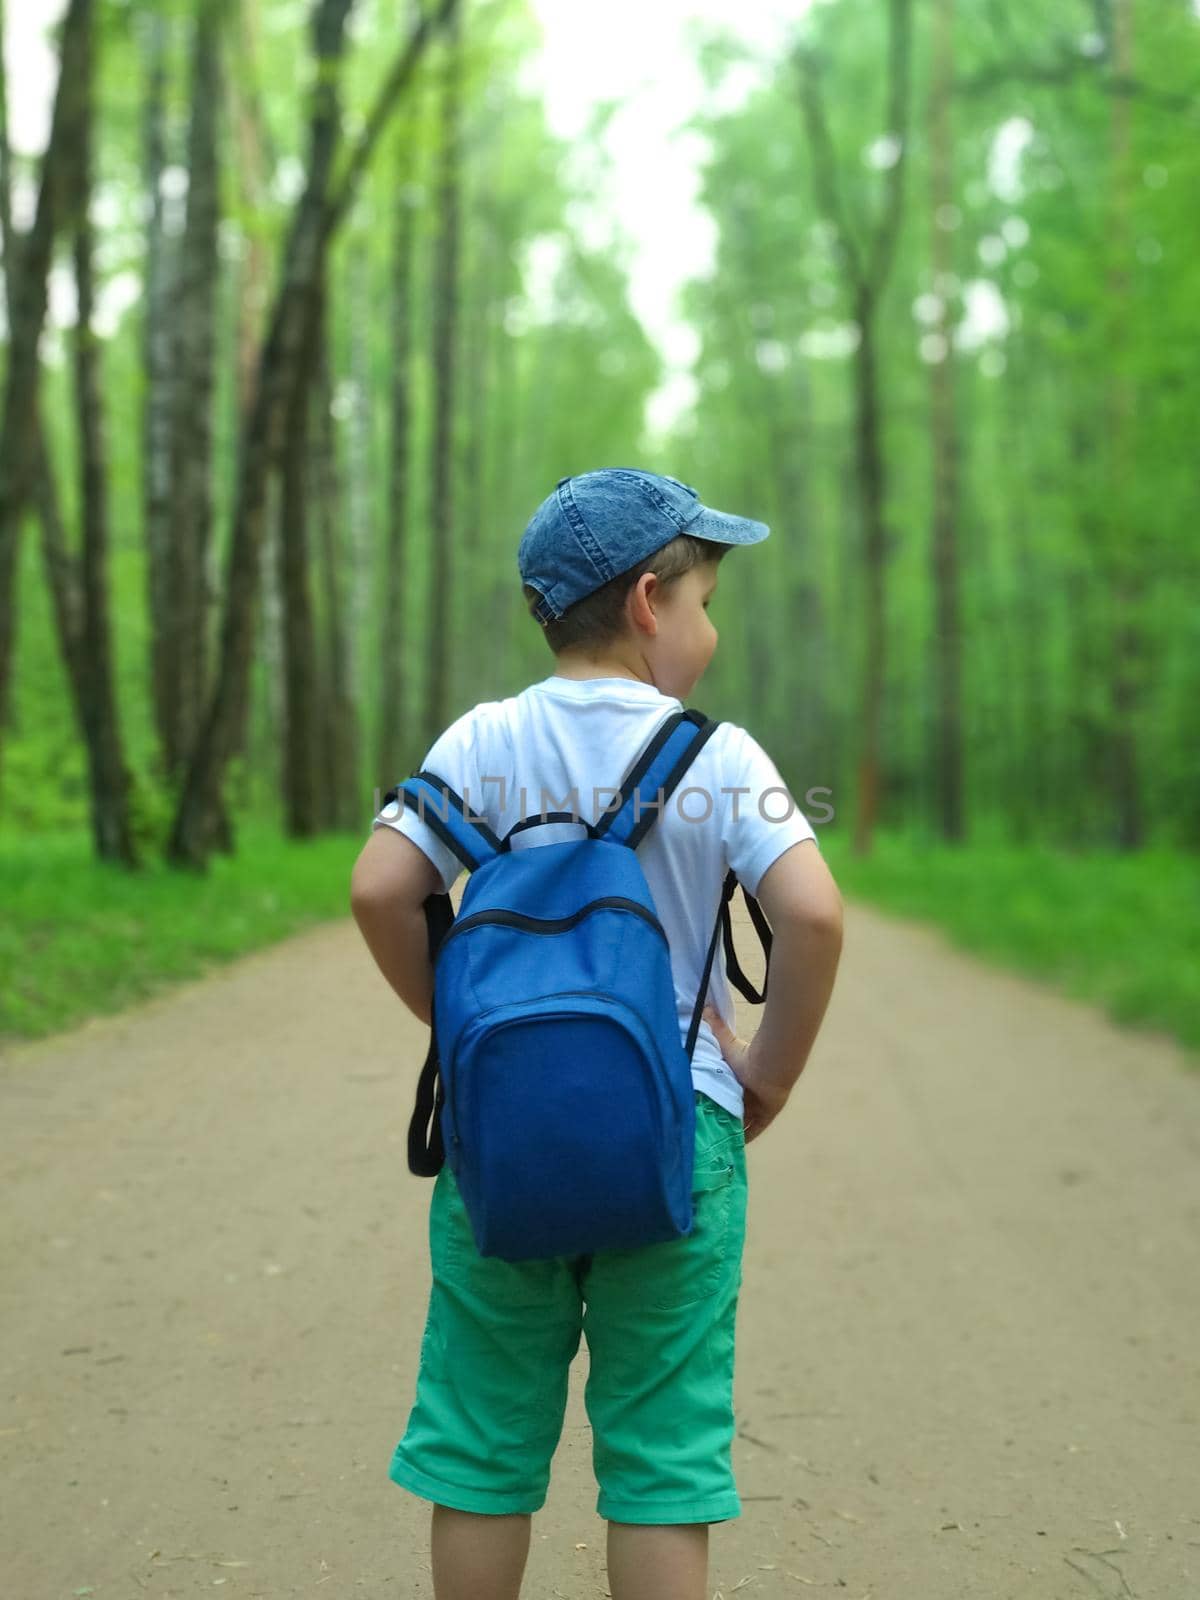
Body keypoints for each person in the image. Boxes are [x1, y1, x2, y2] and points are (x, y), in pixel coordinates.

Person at [350, 467, 844, 1600]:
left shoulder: (482, 739)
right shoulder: (720, 758)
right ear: (646, 601)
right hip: (679, 1134)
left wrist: (465, 1016)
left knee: (482, 1440)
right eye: (706, 599)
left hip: (504, 1143)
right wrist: (764, 1074)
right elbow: (812, 914)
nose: (709, 627)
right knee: (661, 1455)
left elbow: (383, 888)